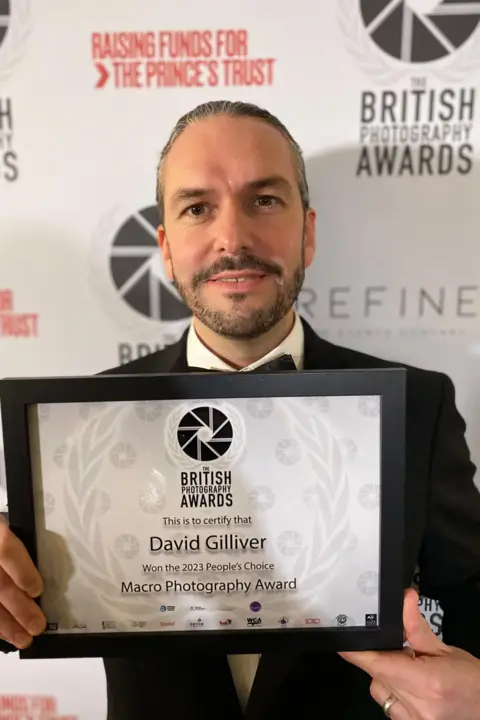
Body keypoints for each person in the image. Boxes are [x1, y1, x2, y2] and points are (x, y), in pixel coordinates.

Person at [0, 100, 480, 719]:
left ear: (307, 232)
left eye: (264, 200)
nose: (233, 238)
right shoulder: (85, 423)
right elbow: (43, 592)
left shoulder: (422, 404)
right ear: (167, 248)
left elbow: (467, 592)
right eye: (198, 208)